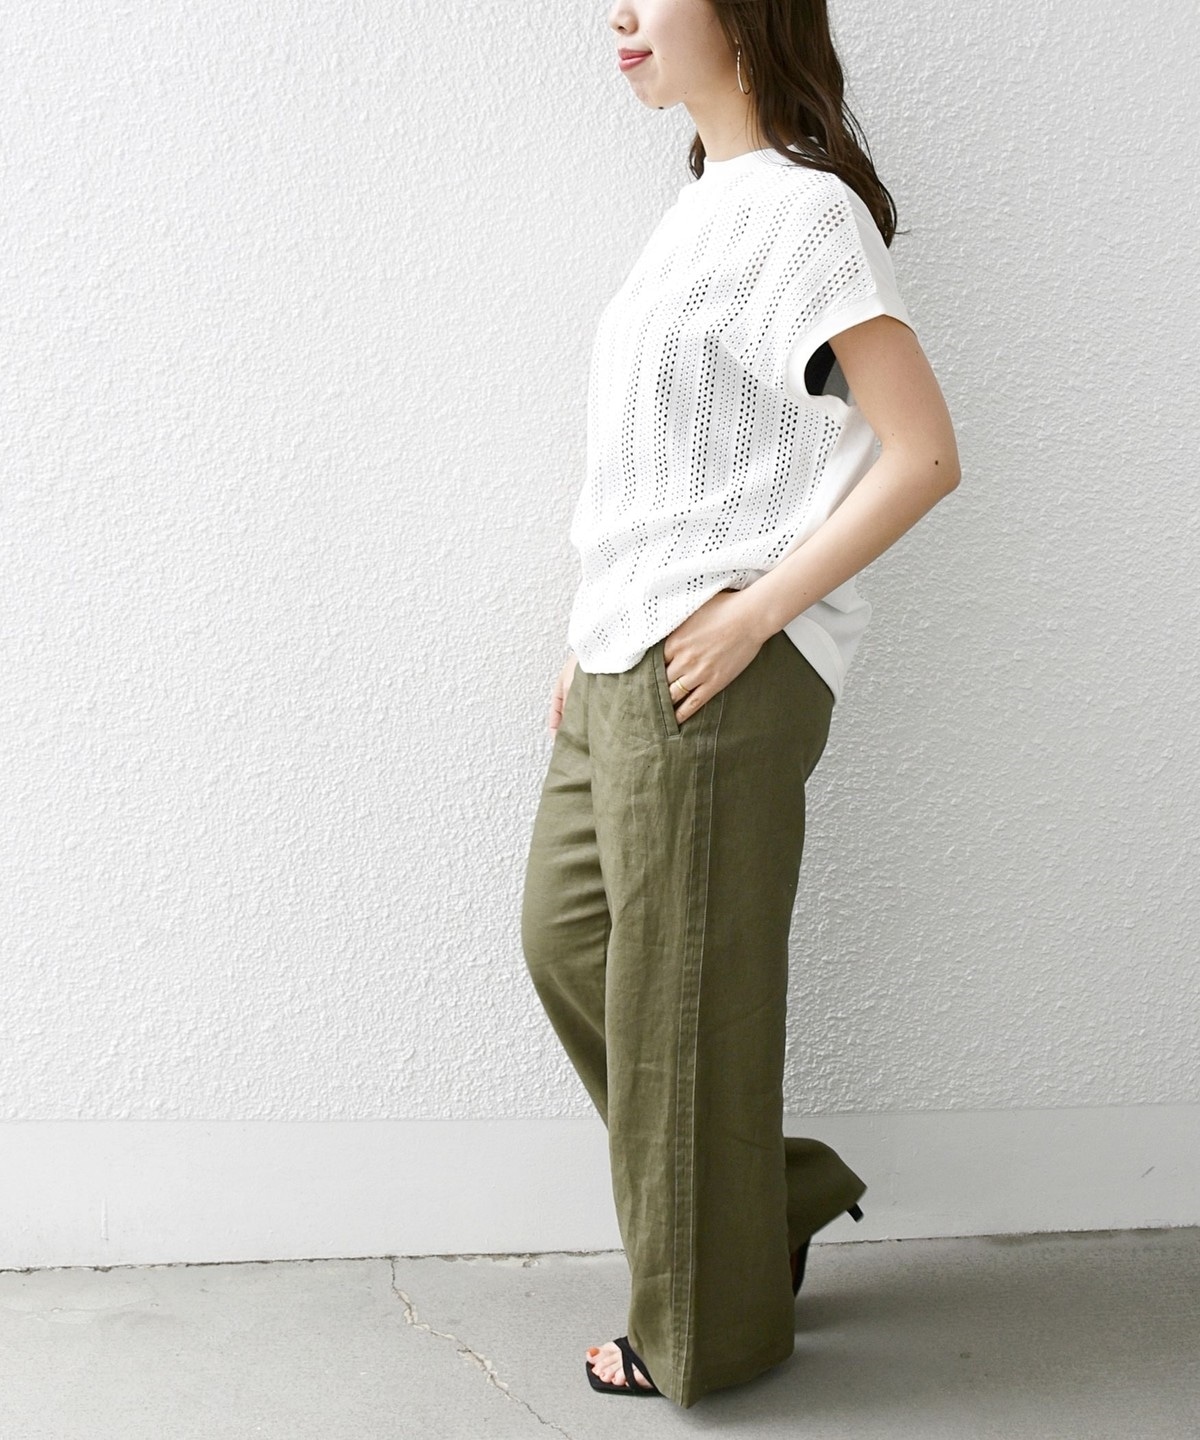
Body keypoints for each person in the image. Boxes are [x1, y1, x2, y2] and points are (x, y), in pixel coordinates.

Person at [520, 0, 960, 1411]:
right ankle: (768, 1200)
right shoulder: (698, 209)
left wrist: (758, 610)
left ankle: (707, 1332)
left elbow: (924, 452)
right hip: (621, 656)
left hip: (719, 665)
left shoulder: (805, 214)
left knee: (683, 1005)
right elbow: (663, 472)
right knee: (567, 944)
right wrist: (590, 629)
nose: (619, 13)